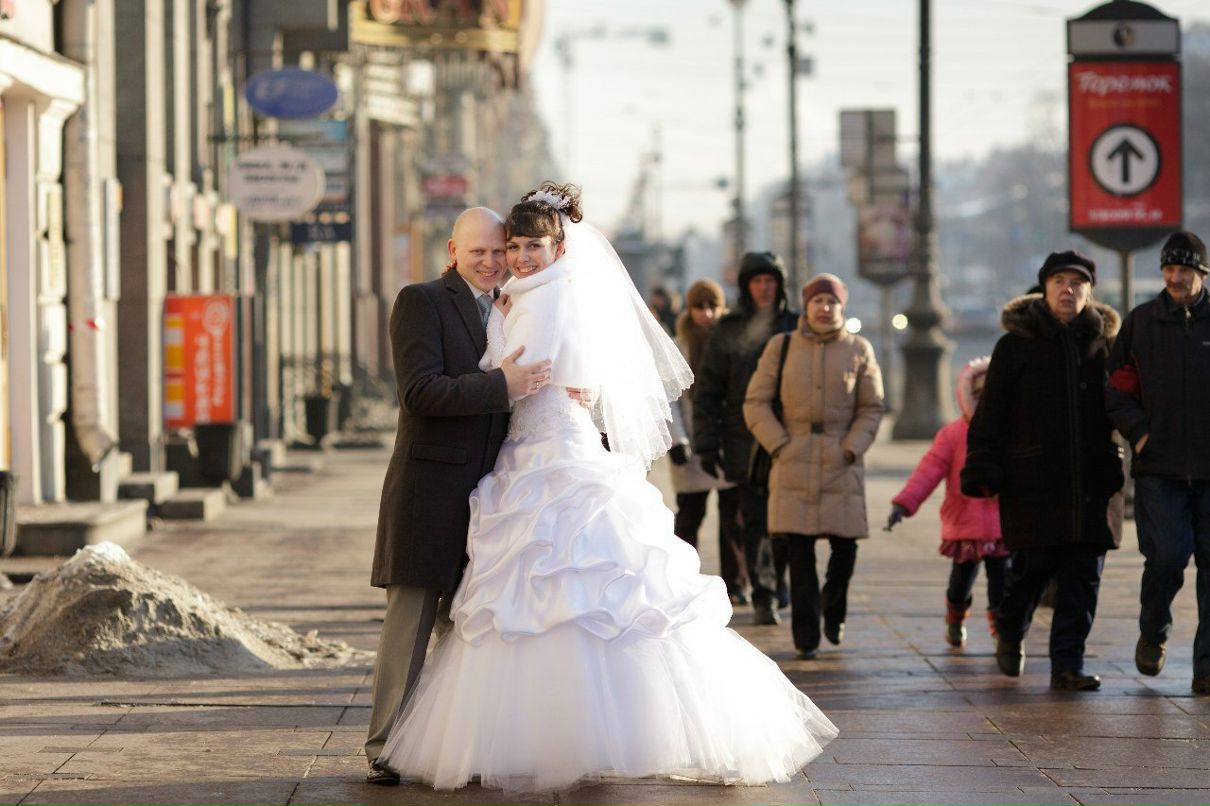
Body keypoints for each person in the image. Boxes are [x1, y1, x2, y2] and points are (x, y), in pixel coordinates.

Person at [377, 183, 836, 792]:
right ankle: (404, 743)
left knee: (555, 607)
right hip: (471, 478)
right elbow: (428, 390)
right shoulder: (450, 299)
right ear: (453, 250)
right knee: (492, 614)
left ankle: (521, 737)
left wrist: (575, 391)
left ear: (559, 247)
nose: (506, 259)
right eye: (497, 248)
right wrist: (519, 385)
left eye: (520, 246)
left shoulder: (536, 298)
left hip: (541, 462)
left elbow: (551, 368)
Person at [364, 207, 553, 784]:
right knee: (411, 624)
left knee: (468, 628)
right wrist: (502, 385)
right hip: (429, 491)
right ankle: (385, 748)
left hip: (494, 494)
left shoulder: (514, 304)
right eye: (479, 253)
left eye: (500, 251)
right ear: (453, 251)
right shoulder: (420, 301)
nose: (493, 262)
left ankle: (450, 746)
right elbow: (420, 392)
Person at [961, 251, 1124, 692]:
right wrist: (982, 464)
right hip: (1034, 480)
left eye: (1077, 282)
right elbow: (990, 413)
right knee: (1030, 570)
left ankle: (1067, 664)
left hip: (1095, 480)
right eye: (1059, 281)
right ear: (1045, 287)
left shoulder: (1106, 344)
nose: (1068, 289)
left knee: (1083, 578)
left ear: (1090, 290)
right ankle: (1011, 627)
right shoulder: (1016, 344)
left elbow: (1129, 407)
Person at [744, 273, 884, 660]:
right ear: (806, 306)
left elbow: (872, 407)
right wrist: (779, 444)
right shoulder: (782, 346)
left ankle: (833, 608)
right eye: (818, 301)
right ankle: (806, 634)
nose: (825, 309)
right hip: (793, 457)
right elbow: (755, 401)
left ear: (842, 307)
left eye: (832, 303)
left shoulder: (859, 349)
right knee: (798, 549)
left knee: (845, 549)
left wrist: (852, 447)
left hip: (842, 459)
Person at [1105, 231, 1210, 695]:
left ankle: (1206, 669)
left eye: (1185, 269)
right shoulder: (1142, 323)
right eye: (1169, 269)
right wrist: (1141, 434)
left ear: (1202, 273)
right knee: (1166, 559)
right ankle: (1153, 632)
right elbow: (1118, 388)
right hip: (1159, 469)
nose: (1175, 277)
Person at [693, 252, 798, 625]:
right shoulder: (730, 328)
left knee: (788, 521)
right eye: (757, 281)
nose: (764, 288)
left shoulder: (794, 325)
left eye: (771, 281)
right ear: (746, 287)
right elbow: (708, 389)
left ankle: (779, 581)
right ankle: (765, 591)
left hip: (791, 438)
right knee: (754, 519)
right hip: (743, 438)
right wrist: (707, 443)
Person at [886, 356, 1007, 648]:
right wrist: (904, 503)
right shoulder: (953, 435)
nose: (983, 402)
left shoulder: (1011, 431)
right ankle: (955, 617)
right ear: (966, 396)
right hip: (966, 524)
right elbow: (929, 471)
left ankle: (1004, 634)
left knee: (1003, 587)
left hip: (1004, 526)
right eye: (977, 395)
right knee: (960, 584)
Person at [668, 279, 748, 602]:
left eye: (712, 306)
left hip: (726, 443)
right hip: (690, 443)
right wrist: (677, 440)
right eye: (700, 306)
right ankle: (680, 582)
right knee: (688, 517)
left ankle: (737, 584)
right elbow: (669, 397)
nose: (707, 314)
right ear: (690, 309)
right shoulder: (678, 345)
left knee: (734, 519)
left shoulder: (730, 342)